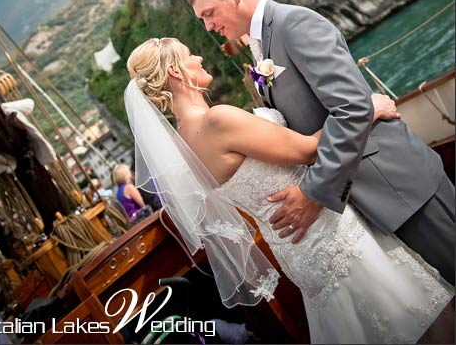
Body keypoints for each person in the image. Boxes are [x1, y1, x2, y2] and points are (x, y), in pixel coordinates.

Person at [124, 38, 452, 344]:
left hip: (294, 249)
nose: (198, 57)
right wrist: (368, 108)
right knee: (420, 321)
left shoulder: (182, 145)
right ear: (175, 70)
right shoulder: (216, 120)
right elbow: (309, 150)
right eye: (188, 54)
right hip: (329, 236)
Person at [187, 0, 455, 287]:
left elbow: (352, 109)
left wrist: (314, 191)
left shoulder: (294, 24)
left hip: (399, 184)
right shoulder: (261, 45)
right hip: (365, 194)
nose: (208, 27)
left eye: (209, 13)